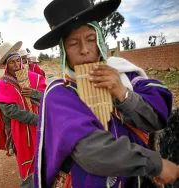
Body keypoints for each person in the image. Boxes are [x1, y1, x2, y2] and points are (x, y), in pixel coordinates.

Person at [33, 0, 178, 187]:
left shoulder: (127, 76)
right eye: (73, 43)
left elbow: (157, 119)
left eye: (91, 40)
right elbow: (91, 152)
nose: (85, 50)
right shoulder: (58, 94)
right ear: (63, 52)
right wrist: (154, 164)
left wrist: (123, 93)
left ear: (100, 40)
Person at [0, 41, 47, 187]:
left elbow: (48, 96)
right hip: (20, 131)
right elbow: (10, 111)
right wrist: (38, 120)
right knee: (27, 169)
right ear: (6, 65)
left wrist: (33, 93)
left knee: (44, 162)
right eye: (12, 62)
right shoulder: (2, 85)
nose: (16, 65)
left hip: (40, 129)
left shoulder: (33, 77)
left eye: (18, 61)